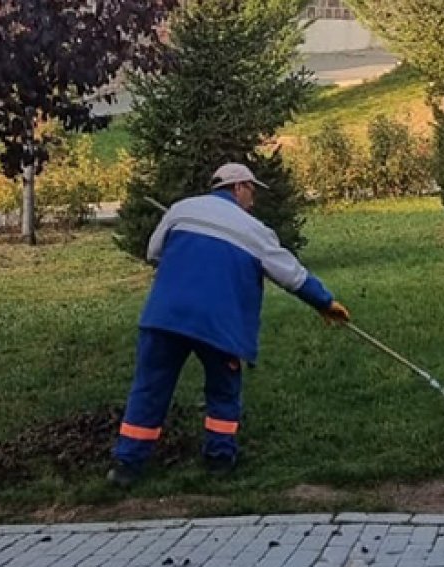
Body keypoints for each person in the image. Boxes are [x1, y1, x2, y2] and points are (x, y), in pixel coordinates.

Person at [108, 162, 350, 488]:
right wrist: (324, 302)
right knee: (223, 390)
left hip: (165, 317)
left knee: (149, 389)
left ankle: (127, 466)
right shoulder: (254, 230)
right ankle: (220, 461)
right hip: (219, 324)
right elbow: (291, 274)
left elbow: (154, 252)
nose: (254, 199)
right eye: (252, 190)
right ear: (238, 187)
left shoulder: (182, 210)